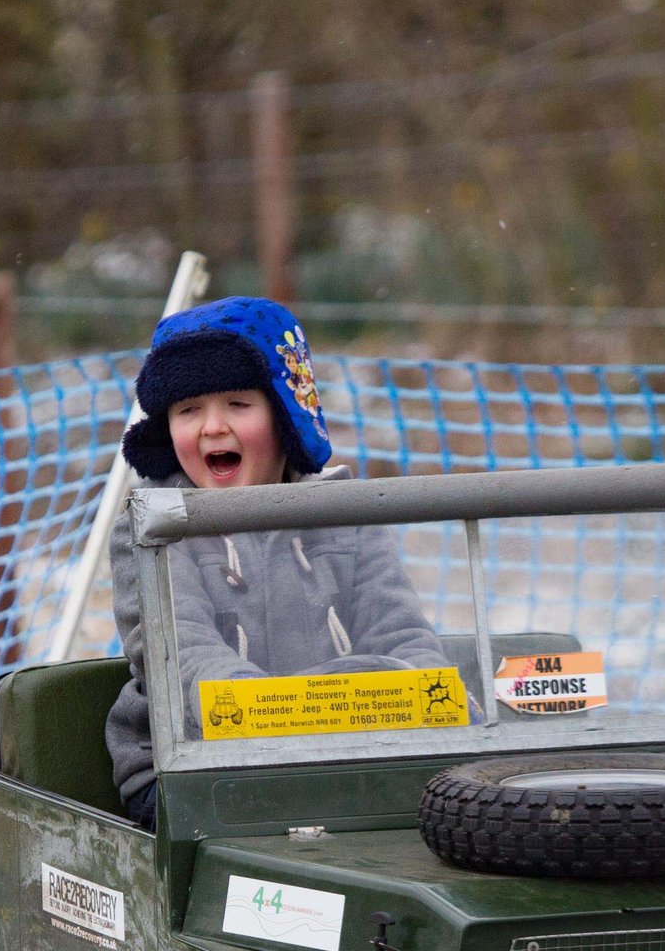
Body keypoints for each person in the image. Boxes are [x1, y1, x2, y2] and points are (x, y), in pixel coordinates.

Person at [104, 297, 450, 827]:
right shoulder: (151, 527)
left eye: (238, 404)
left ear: (286, 417)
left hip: (344, 756)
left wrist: (391, 691)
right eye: (187, 410)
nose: (211, 428)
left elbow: (404, 639)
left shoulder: (343, 514)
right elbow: (182, 654)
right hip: (188, 769)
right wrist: (281, 711)